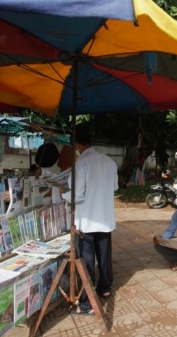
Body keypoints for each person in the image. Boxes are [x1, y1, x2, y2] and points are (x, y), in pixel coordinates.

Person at [61, 124, 118, 316]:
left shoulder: (81, 164)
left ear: (77, 144)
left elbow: (77, 195)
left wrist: (63, 194)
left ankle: (86, 303)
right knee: (104, 256)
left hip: (87, 221)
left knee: (86, 261)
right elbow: (115, 186)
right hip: (105, 219)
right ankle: (104, 288)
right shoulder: (109, 162)